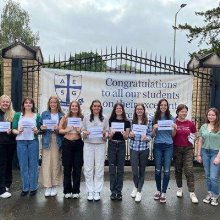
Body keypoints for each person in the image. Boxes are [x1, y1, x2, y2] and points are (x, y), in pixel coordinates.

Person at [12, 97, 41, 196]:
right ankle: (25, 188)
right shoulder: (17, 115)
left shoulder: (37, 116)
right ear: (23, 105)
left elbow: (39, 130)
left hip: (33, 142)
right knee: (23, 165)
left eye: (30, 103)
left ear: (33, 105)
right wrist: (17, 131)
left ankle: (33, 187)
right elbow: (13, 129)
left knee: (33, 165)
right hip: (21, 142)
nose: (28, 104)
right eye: (26, 103)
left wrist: (37, 130)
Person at [81, 99, 109, 201]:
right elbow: (82, 130)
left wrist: (104, 134)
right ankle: (90, 190)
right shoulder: (86, 118)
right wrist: (84, 133)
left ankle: (97, 191)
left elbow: (108, 132)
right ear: (91, 107)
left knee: (99, 168)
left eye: (98, 106)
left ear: (100, 108)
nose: (96, 108)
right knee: (88, 168)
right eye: (94, 106)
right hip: (88, 144)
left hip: (100, 145)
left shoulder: (105, 118)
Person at [151, 99, 176, 203]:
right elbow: (152, 135)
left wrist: (174, 129)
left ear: (167, 106)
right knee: (157, 170)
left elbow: (173, 135)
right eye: (162, 105)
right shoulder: (155, 118)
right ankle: (158, 190)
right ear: (159, 106)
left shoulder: (171, 118)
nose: (163, 107)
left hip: (168, 146)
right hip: (157, 145)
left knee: (166, 170)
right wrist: (154, 128)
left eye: (165, 105)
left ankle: (164, 192)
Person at [39, 96, 64, 197]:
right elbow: (40, 127)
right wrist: (42, 127)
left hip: (57, 140)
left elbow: (63, 130)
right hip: (47, 140)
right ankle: (48, 186)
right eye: (51, 103)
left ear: (57, 104)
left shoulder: (62, 115)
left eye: (55, 102)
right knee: (46, 163)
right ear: (49, 104)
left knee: (56, 163)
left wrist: (58, 129)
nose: (53, 104)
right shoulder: (44, 114)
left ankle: (54, 186)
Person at [173, 104, 198, 203]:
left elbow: (195, 134)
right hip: (176, 148)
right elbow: (172, 136)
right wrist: (174, 128)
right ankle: (179, 188)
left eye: (185, 111)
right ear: (178, 112)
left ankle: (192, 192)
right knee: (178, 169)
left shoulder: (190, 123)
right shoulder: (174, 122)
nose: (184, 113)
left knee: (189, 170)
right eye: (182, 111)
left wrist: (193, 138)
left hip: (188, 149)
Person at [59, 100, 84, 199]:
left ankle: (76, 190)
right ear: (70, 107)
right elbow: (59, 129)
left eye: (76, 106)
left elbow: (85, 130)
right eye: (72, 106)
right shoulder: (65, 117)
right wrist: (66, 130)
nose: (74, 107)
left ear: (78, 108)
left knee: (77, 168)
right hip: (67, 144)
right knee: (67, 168)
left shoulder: (82, 118)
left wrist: (80, 130)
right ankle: (67, 190)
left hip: (78, 144)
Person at [197, 108, 220, 206]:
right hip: (205, 152)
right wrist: (198, 154)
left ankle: (215, 195)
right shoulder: (204, 126)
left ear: (217, 116)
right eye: (209, 115)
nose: (211, 117)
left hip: (216, 153)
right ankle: (210, 193)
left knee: (213, 177)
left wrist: (218, 157)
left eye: (213, 115)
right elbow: (200, 141)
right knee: (207, 176)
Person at [129, 103, 151, 202]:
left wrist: (147, 138)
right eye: (137, 109)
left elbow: (151, 135)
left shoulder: (148, 121)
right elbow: (128, 134)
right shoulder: (131, 121)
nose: (139, 110)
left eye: (141, 109)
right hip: (133, 148)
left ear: (143, 110)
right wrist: (130, 134)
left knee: (142, 170)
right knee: (134, 171)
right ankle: (136, 185)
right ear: (135, 110)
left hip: (144, 149)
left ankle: (139, 191)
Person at [108, 103, 130, 201]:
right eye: (117, 108)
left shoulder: (127, 122)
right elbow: (109, 136)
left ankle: (119, 192)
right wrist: (111, 134)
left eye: (120, 108)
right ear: (114, 109)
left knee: (120, 170)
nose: (119, 109)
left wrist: (125, 134)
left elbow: (126, 137)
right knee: (112, 169)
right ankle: (113, 192)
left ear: (123, 110)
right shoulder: (110, 120)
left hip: (121, 145)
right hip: (112, 144)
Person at [0, 95, 16, 199]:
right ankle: (1, 189)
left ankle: (7, 183)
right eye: (3, 102)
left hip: (10, 143)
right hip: (0, 143)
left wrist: (12, 131)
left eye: (7, 102)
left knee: (8, 164)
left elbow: (16, 128)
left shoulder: (13, 114)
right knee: (1, 164)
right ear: (0, 102)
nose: (5, 103)